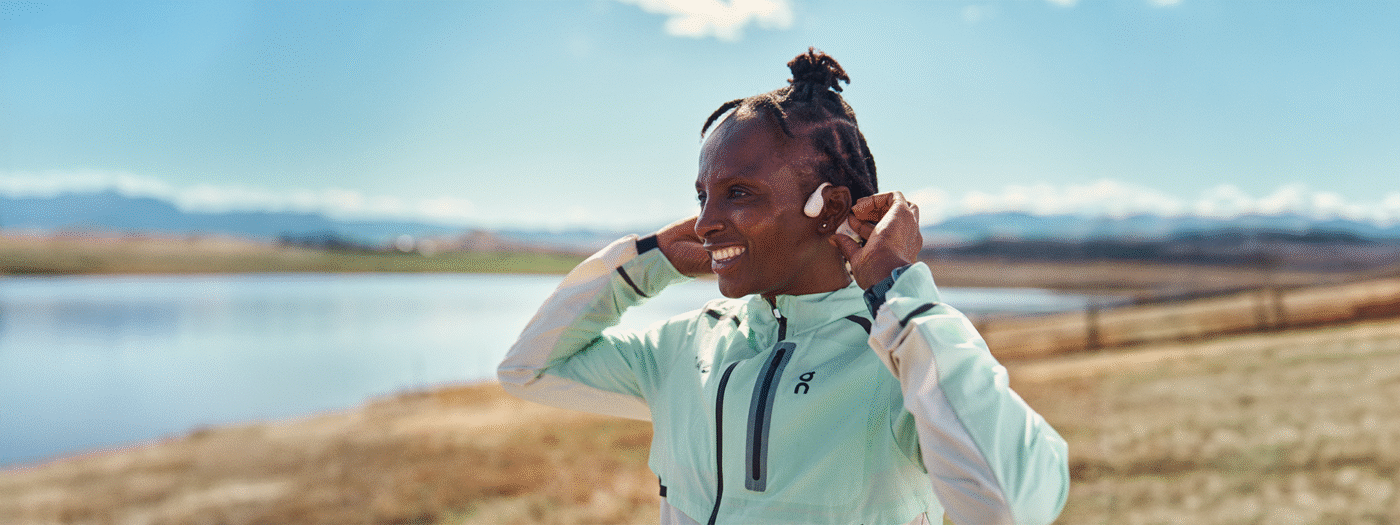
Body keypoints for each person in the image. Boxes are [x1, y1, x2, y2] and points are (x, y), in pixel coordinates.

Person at [498, 48, 1068, 525]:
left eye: (739, 193)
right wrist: (645, 262)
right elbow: (529, 370)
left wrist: (896, 291)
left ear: (829, 209)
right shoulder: (686, 347)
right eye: (703, 196)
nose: (703, 223)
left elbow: (1017, 505)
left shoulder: (902, 354)